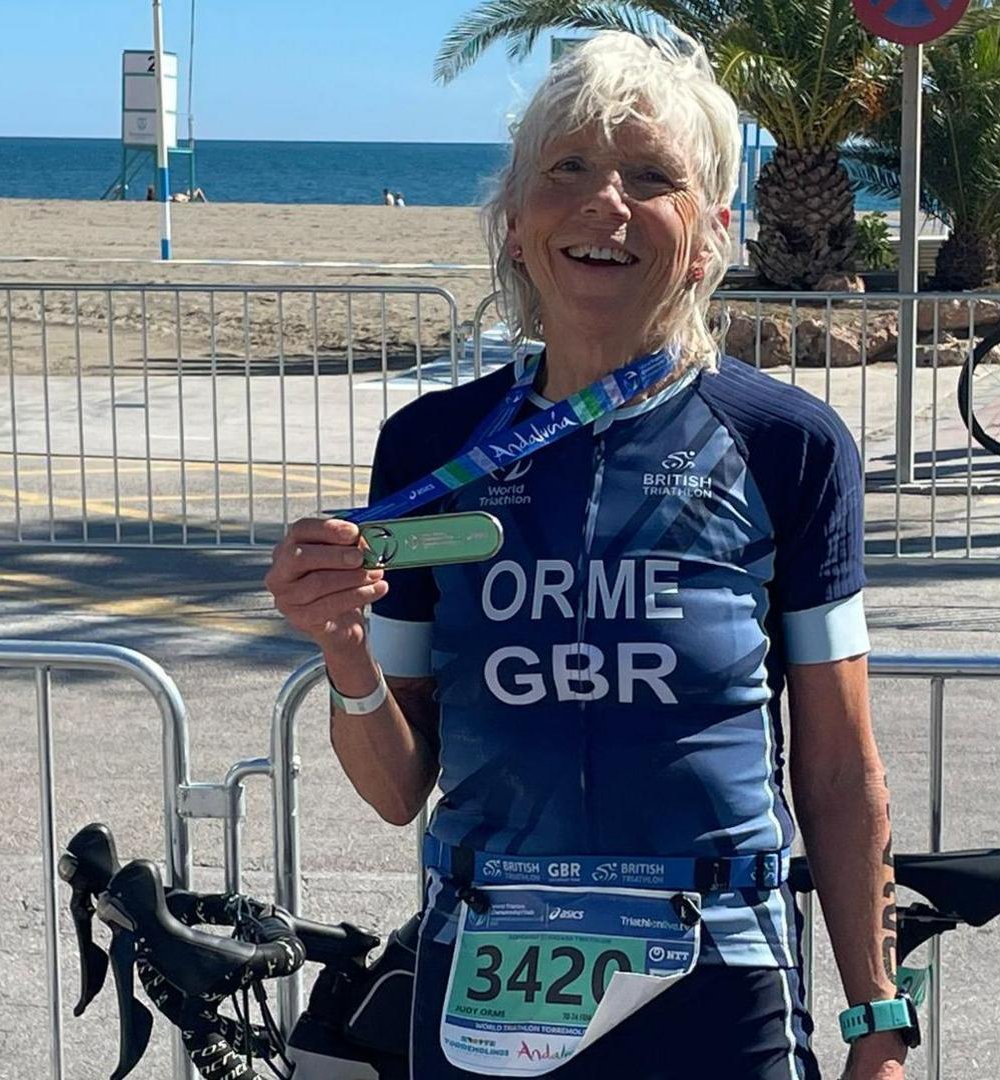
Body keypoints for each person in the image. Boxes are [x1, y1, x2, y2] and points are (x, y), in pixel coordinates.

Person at [265, 30, 901, 1080]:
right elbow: (394, 786)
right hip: (488, 964)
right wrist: (342, 649)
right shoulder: (432, 445)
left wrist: (881, 1019)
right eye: (568, 169)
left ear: (710, 237)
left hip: (717, 966)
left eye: (652, 177)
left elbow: (838, 768)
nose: (605, 202)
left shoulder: (787, 443)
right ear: (517, 224)